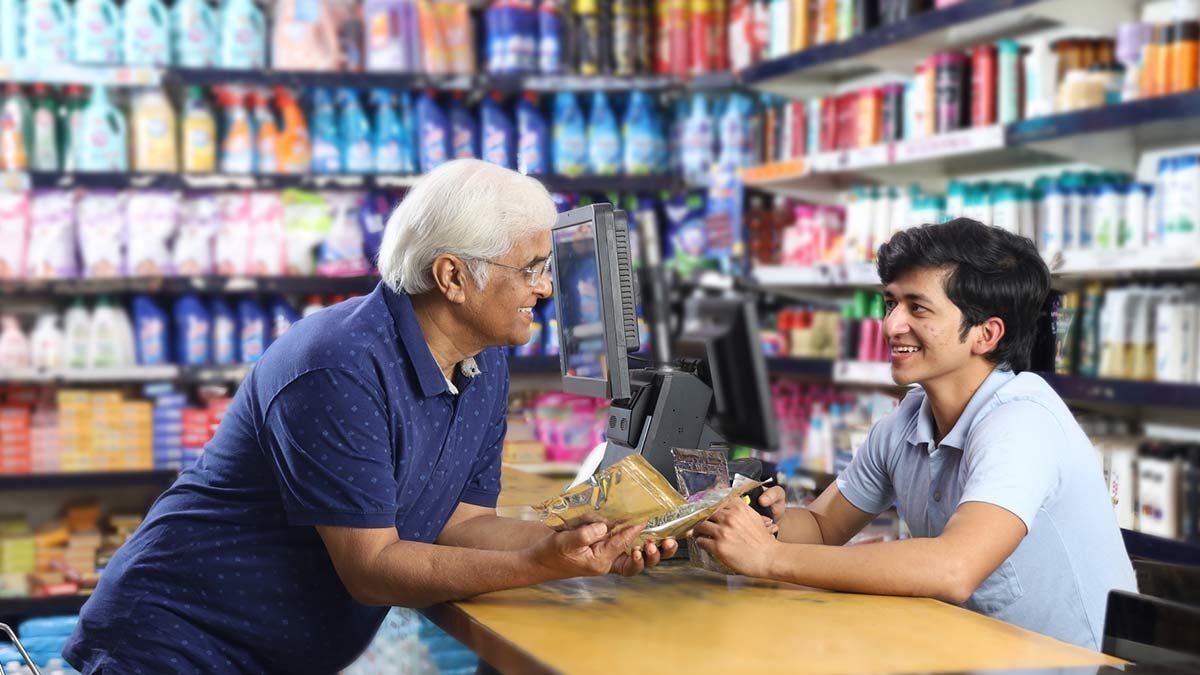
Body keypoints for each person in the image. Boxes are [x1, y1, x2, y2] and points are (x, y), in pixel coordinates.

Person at [64, 160, 676, 674]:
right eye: (532, 269)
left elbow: (460, 523)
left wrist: (579, 542)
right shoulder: (337, 367)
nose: (545, 289)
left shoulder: (481, 364)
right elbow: (374, 569)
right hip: (176, 645)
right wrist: (536, 566)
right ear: (453, 277)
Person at [693, 218, 1136, 651]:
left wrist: (770, 558)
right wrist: (763, 522)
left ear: (986, 334)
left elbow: (953, 568)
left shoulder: (1022, 422)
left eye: (917, 308)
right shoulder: (907, 420)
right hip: (965, 650)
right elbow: (823, 527)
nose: (891, 326)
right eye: (890, 304)